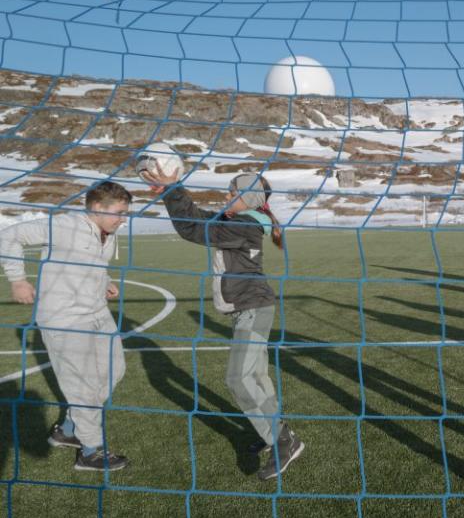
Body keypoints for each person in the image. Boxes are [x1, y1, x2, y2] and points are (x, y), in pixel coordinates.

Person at [142, 168, 304, 480]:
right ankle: (275, 432)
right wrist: (169, 192)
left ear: (250, 199)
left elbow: (192, 228)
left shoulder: (242, 227)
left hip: (253, 310)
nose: (227, 197)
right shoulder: (239, 223)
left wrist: (174, 188)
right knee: (256, 375)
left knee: (237, 379)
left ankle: (283, 439)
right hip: (251, 309)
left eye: (233, 193)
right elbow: (197, 218)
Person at [0, 181, 132, 471]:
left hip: (97, 313)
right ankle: (90, 452)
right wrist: (18, 279)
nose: (123, 219)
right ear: (97, 208)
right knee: (82, 385)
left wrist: (105, 281)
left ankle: (69, 429)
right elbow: (8, 235)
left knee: (115, 370)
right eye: (119, 212)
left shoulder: (106, 233)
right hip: (64, 319)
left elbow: (89, 262)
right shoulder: (64, 225)